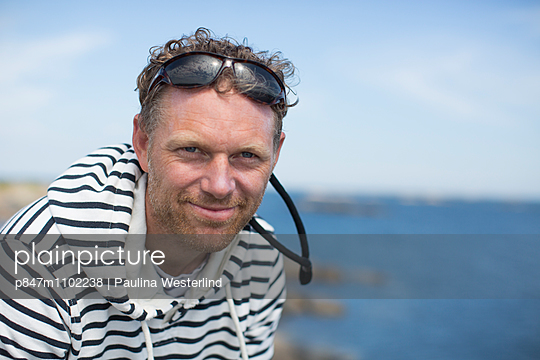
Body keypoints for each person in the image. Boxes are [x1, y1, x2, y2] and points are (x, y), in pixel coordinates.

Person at [0, 28, 297, 359]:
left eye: (247, 156)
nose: (220, 185)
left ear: (275, 155)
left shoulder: (261, 259)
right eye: (191, 149)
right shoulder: (35, 259)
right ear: (143, 144)